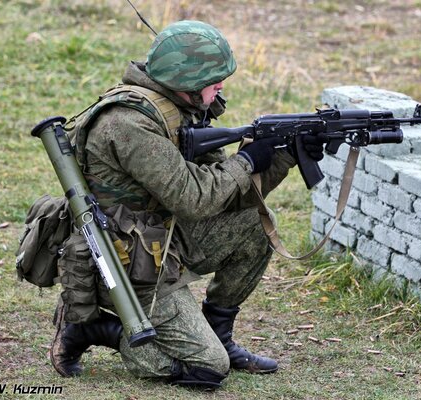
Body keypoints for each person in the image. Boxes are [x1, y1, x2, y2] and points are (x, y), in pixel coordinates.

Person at [49, 20, 325, 389]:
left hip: (164, 239)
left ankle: (219, 334)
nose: (221, 86)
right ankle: (89, 328)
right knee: (209, 370)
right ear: (185, 80)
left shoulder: (179, 108)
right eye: (214, 79)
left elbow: (227, 196)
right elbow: (194, 199)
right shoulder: (129, 123)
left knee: (256, 223)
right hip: (125, 263)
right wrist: (245, 161)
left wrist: (283, 157)